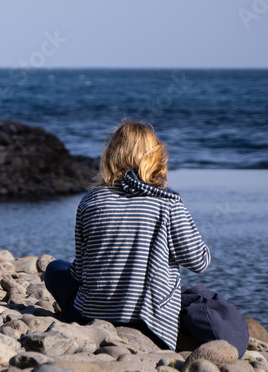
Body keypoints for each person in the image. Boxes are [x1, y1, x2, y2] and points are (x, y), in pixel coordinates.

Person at [41, 120, 211, 351]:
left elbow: (79, 272)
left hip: (91, 314)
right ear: (155, 158)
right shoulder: (169, 204)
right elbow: (199, 262)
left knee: (54, 268)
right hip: (151, 322)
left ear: (111, 155)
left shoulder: (91, 201)